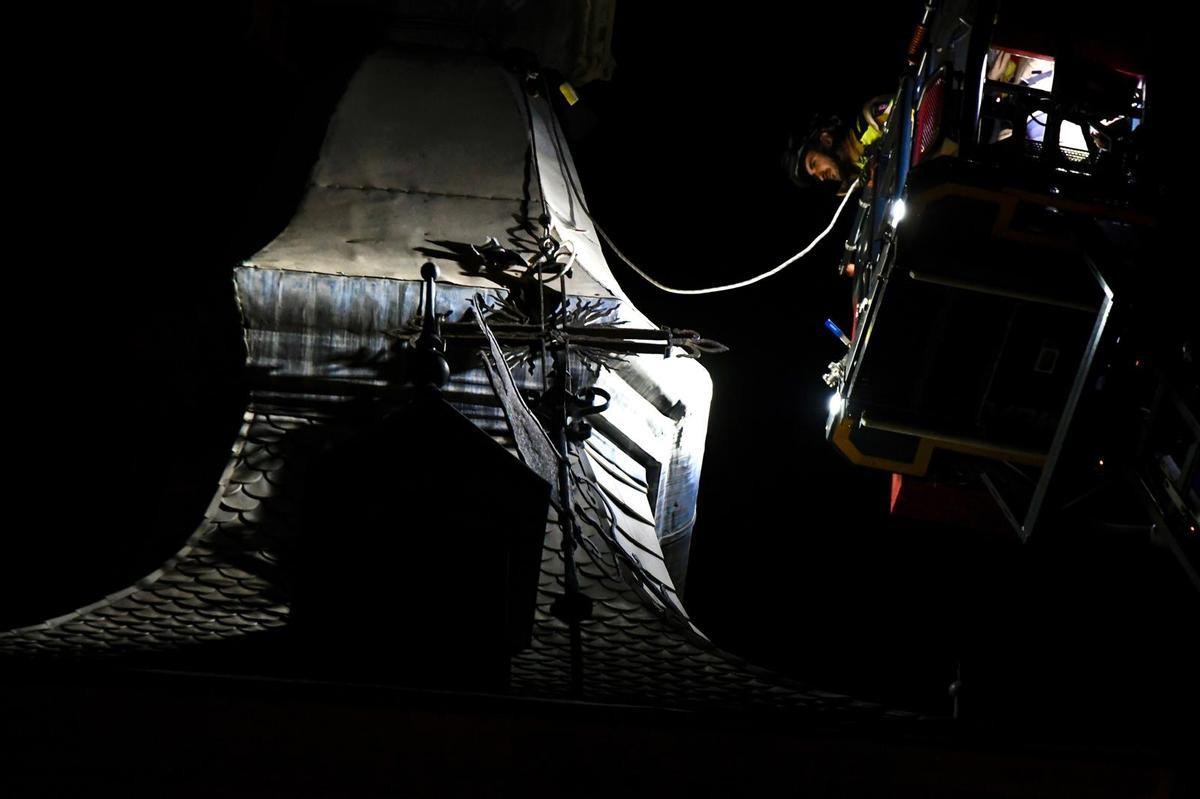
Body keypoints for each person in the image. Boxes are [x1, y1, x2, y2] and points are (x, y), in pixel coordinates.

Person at [783, 95, 893, 194]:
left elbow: (907, 108)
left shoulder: (869, 121)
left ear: (826, 140)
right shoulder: (858, 179)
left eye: (814, 163)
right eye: (815, 177)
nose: (821, 177)